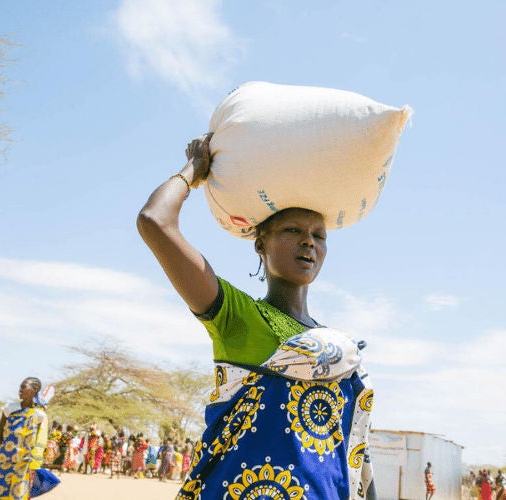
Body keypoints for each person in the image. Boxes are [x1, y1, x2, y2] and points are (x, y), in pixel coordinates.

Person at [137, 135, 376, 497]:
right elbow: (154, 221)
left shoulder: (339, 349)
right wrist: (193, 170)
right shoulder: (237, 315)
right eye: (293, 231)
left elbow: (356, 454)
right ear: (260, 244)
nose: (308, 242)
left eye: (318, 235)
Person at [0, 377, 49, 499]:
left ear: (34, 390)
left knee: (18, 493)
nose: (20, 390)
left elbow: (39, 440)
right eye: (20, 387)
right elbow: (0, 432)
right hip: (5, 458)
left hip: (24, 462)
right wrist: (4, 450)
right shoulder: (9, 408)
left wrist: (34, 461)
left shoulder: (39, 415)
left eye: (23, 387)